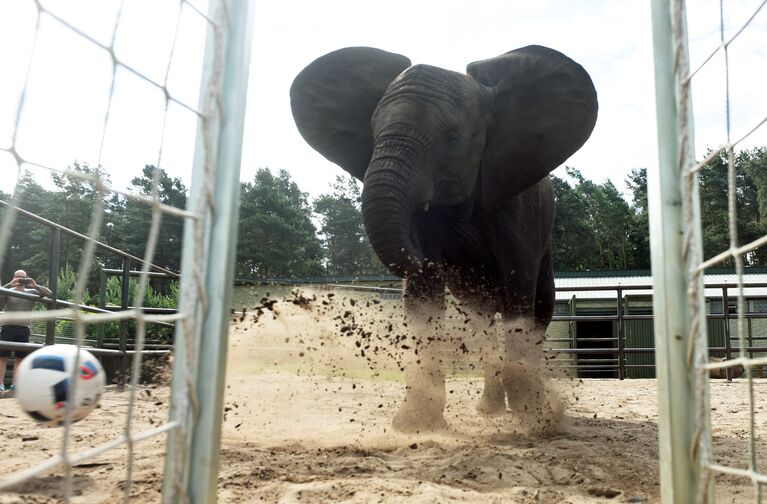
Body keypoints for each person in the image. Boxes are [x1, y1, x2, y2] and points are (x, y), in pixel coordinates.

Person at [0, 270, 52, 395]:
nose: (20, 279)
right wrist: (9, 284)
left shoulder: (32, 292)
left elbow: (49, 293)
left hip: (24, 329)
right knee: (2, 358)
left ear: (27, 279)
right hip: (8, 327)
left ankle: (15, 386)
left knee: (20, 359)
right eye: (18, 277)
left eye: (23, 277)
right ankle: (0, 385)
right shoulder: (8, 291)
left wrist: (35, 285)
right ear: (13, 278)